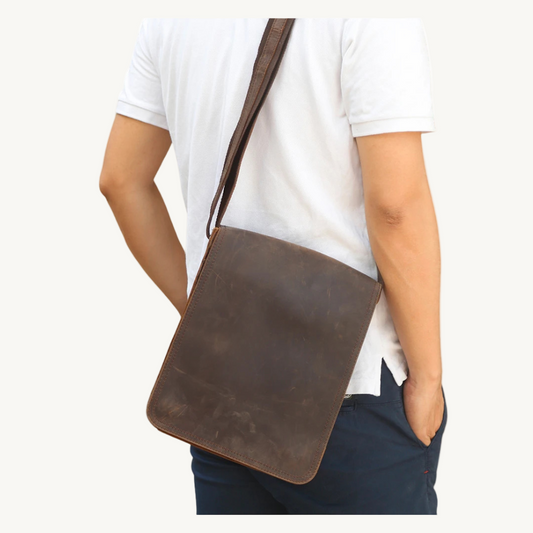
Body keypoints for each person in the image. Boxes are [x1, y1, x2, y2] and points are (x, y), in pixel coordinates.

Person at [99, 18, 447, 515]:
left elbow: (121, 180)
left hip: (226, 382)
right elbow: (395, 209)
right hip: (352, 389)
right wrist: (428, 378)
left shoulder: (169, 20)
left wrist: (209, 318)